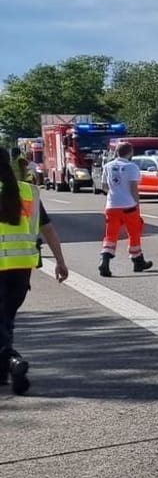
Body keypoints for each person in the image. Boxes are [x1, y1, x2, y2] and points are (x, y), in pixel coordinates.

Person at [3, 151, 69, 395]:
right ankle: (4, 373)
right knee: (5, 322)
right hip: (21, 269)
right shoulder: (28, 191)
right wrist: (60, 262)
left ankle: (13, 362)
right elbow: (48, 229)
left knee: (2, 323)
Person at [99, 142, 152, 277]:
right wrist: (137, 202)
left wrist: (115, 192)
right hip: (128, 205)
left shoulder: (108, 166)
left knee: (110, 235)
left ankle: (104, 260)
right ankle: (137, 261)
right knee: (134, 232)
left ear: (116, 152)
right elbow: (133, 187)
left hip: (112, 206)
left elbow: (104, 187)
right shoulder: (131, 167)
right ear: (130, 153)